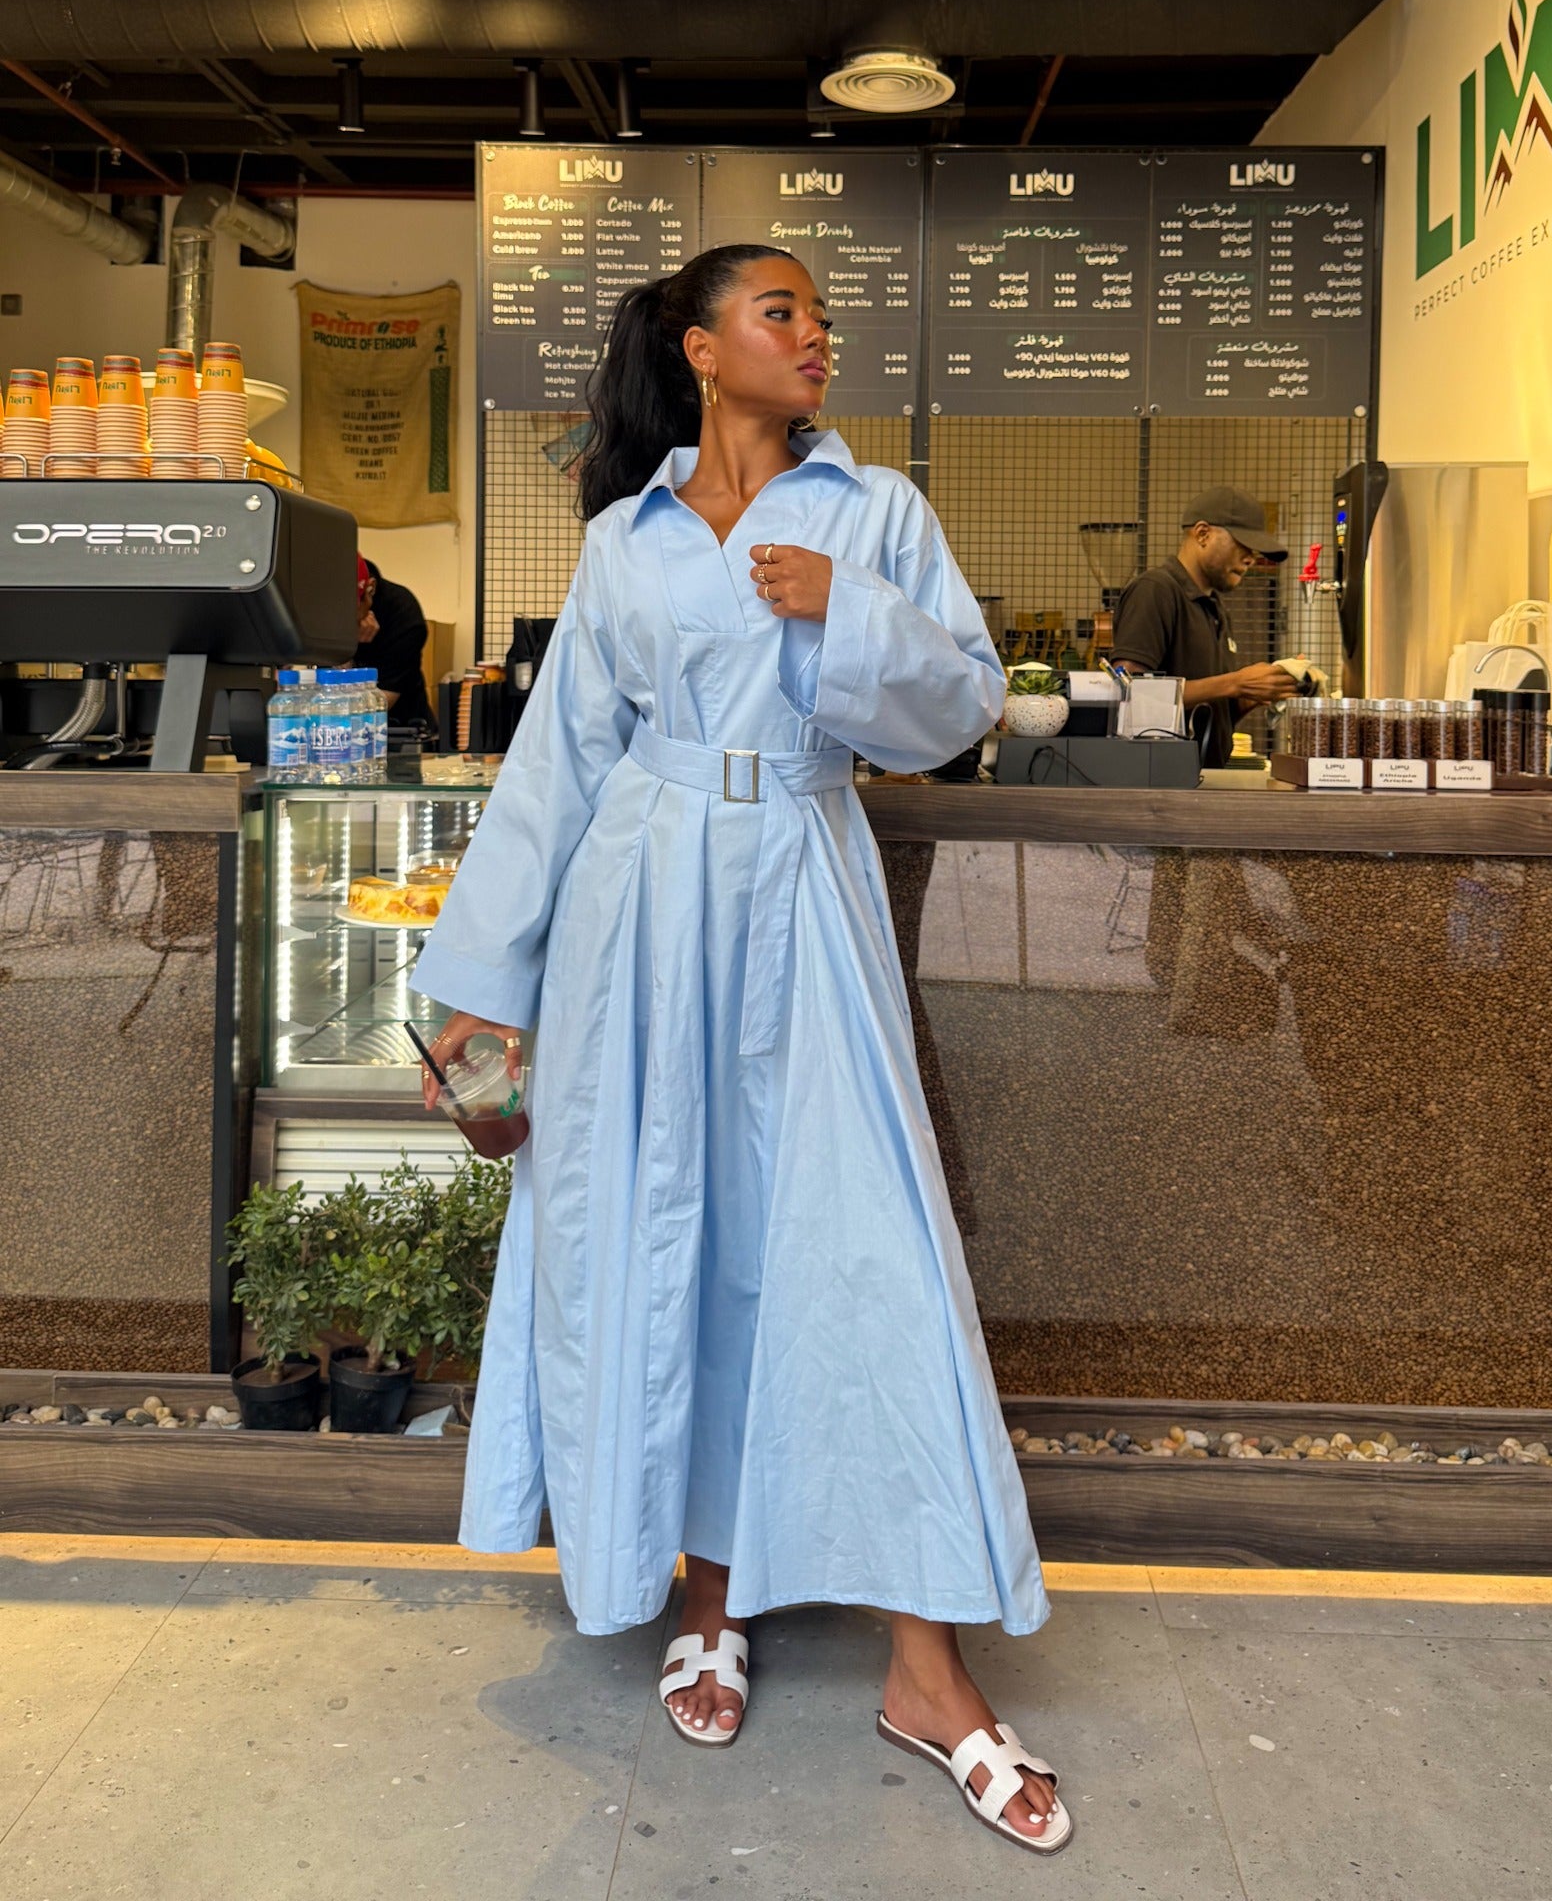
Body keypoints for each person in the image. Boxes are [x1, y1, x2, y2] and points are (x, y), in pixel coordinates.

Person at [409, 244, 1071, 1855]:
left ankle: (928, 1667)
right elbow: (559, 769)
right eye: (784, 313)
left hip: (802, 883)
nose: (816, 334)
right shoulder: (623, 540)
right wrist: (482, 992)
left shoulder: (875, 512)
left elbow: (961, 706)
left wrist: (849, 612)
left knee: (864, 1250)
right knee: (678, 1243)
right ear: (701, 349)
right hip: (638, 915)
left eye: (823, 315)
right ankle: (707, 1598)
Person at [1112, 485, 1299, 765]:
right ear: (1202, 534)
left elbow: (1209, 709)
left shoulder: (1215, 608)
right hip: (1159, 779)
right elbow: (1128, 692)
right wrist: (1236, 682)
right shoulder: (1155, 590)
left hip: (1204, 777)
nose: (1251, 558)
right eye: (1242, 545)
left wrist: (1252, 694)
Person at [356, 554, 434, 728]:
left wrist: (346, 650)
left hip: (401, 726)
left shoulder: (403, 613)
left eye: (349, 610)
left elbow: (378, 706)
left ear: (370, 590)